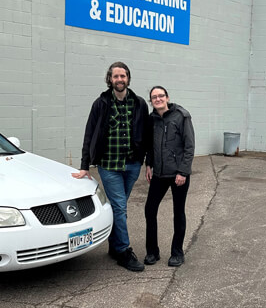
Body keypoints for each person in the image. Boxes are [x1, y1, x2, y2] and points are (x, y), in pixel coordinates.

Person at [72, 62, 150, 272]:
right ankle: (124, 251)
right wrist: (84, 165)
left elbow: (148, 134)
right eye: (115, 76)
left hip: (132, 165)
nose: (119, 80)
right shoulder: (101, 103)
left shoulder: (139, 103)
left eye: (123, 76)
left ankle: (114, 246)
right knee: (119, 206)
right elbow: (90, 133)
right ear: (110, 79)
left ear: (128, 78)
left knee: (119, 207)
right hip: (109, 166)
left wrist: (148, 162)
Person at [144, 86, 195, 267]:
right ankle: (152, 251)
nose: (157, 99)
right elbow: (150, 144)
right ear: (151, 101)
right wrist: (149, 164)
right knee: (150, 209)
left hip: (178, 175)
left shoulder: (181, 116)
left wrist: (183, 172)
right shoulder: (152, 119)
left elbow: (189, 147)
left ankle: (177, 252)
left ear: (167, 97)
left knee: (178, 212)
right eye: (154, 97)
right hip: (158, 173)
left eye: (160, 96)